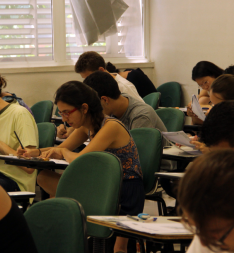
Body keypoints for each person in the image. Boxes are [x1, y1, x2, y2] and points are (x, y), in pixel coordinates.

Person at [18, 81, 144, 253]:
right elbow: (62, 148)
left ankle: (65, 225)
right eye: (61, 114)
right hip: (99, 185)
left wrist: (62, 152)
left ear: (84, 108)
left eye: (66, 113)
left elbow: (81, 160)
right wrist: (33, 152)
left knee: (50, 204)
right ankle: (64, 224)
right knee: (44, 177)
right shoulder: (87, 127)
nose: (64, 119)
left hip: (124, 190)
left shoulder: (111, 126)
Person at [58, 51, 145, 139]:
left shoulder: (123, 87)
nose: (87, 84)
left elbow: (139, 114)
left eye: (89, 77)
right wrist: (71, 129)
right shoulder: (100, 88)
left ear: (101, 71)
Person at [83, 71, 169, 146]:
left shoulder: (141, 115)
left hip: (157, 163)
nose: (93, 109)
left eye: (94, 105)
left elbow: (139, 156)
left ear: (105, 100)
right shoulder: (116, 105)